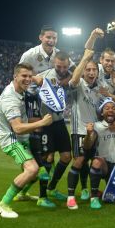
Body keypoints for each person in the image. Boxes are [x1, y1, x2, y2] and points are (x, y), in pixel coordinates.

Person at [0, 63, 53, 218]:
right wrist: (41, 123)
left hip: (23, 139)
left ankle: (22, 194)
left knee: (38, 172)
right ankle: (3, 205)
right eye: (24, 76)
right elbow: (18, 128)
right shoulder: (10, 99)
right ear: (15, 76)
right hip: (13, 141)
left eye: (29, 76)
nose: (28, 79)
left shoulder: (20, 91)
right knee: (32, 169)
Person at [66, 33, 104, 210]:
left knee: (95, 161)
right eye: (88, 70)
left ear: (97, 72)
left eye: (93, 70)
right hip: (79, 129)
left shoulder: (100, 88)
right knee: (80, 161)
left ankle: (93, 195)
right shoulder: (79, 83)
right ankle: (71, 196)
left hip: (96, 131)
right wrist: (85, 58)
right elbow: (73, 80)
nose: (90, 72)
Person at [34, 52, 74, 202]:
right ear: (53, 63)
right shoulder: (44, 75)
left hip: (59, 121)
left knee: (66, 156)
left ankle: (52, 187)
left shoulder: (69, 74)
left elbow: (77, 73)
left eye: (65, 67)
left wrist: (69, 77)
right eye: (59, 66)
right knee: (47, 157)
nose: (62, 69)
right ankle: (42, 196)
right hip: (46, 123)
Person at [83, 99, 115, 209]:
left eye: (113, 108)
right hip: (105, 165)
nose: (110, 110)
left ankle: (108, 191)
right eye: (107, 108)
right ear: (102, 113)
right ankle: (94, 198)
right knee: (96, 161)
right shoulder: (97, 126)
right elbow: (87, 146)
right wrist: (88, 134)